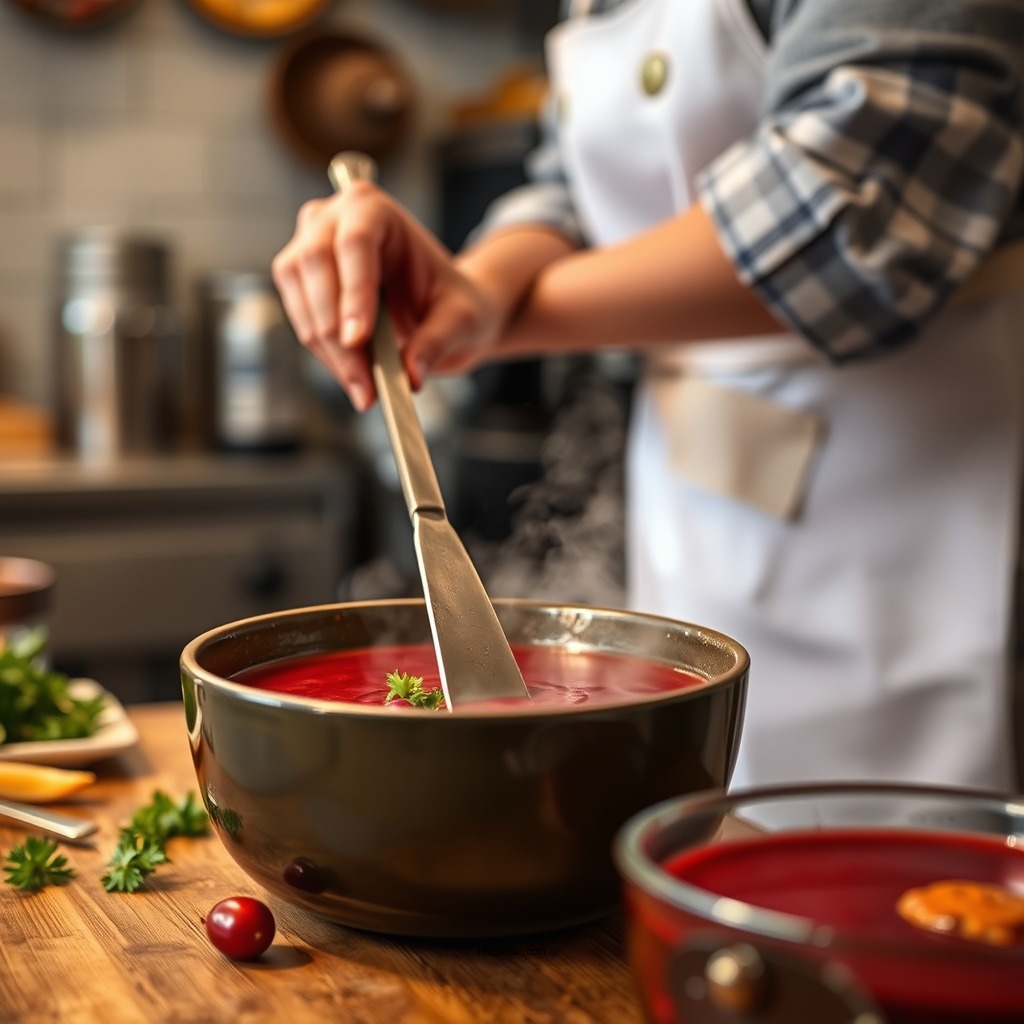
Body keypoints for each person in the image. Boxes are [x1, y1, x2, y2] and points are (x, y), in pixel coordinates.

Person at [272, 0, 1024, 794]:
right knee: (697, 806)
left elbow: (848, 219)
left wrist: (488, 321)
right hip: (693, 480)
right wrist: (478, 284)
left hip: (912, 491)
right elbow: (572, 181)